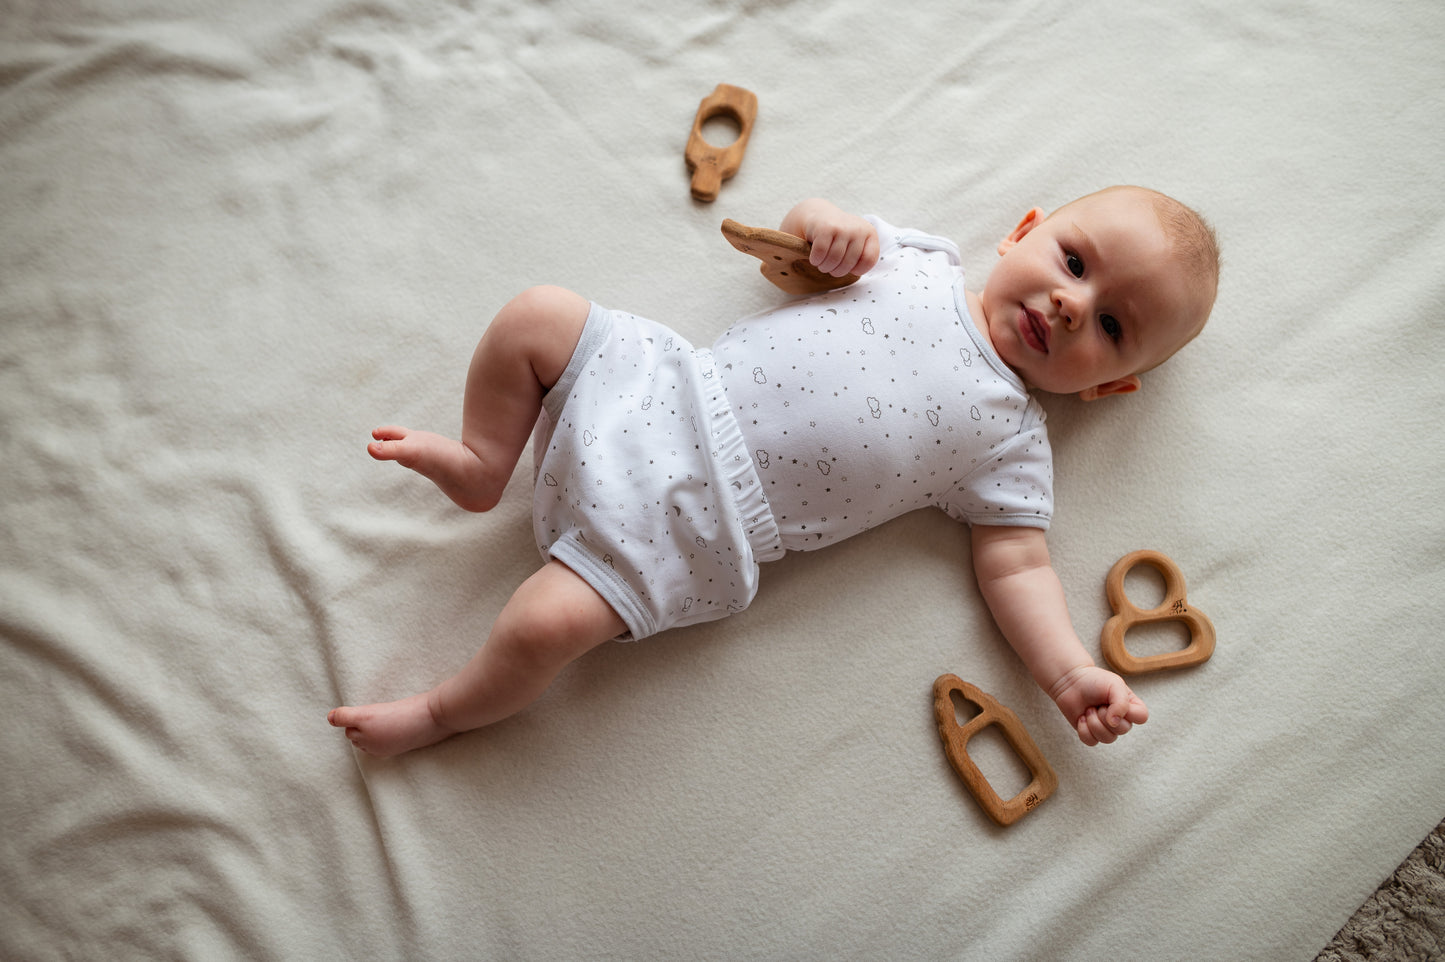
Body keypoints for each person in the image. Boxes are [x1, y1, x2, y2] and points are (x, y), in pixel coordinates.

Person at [328, 185, 1220, 758]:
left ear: (1109, 389)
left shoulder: (1013, 445)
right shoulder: (920, 261)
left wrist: (1068, 676)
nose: (1070, 305)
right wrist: (824, 226)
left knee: (541, 628)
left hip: (701, 523)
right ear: (1024, 229)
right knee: (539, 315)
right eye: (1072, 261)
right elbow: (798, 247)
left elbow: (1017, 565)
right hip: (669, 384)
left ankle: (445, 712)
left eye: (1110, 327)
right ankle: (487, 462)